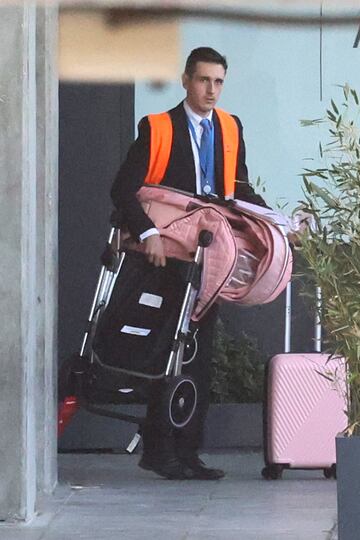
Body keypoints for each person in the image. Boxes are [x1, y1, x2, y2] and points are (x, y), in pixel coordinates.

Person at [111, 47, 268, 480]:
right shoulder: (158, 128)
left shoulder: (230, 128)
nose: (211, 90)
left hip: (208, 259)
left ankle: (188, 452)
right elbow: (123, 190)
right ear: (185, 80)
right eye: (203, 80)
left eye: (218, 82)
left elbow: (240, 189)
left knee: (197, 356)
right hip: (165, 258)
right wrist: (148, 234)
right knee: (164, 353)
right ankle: (159, 452)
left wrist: (274, 222)